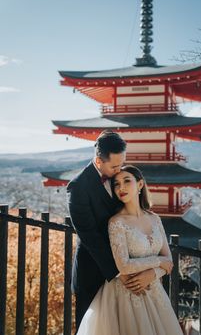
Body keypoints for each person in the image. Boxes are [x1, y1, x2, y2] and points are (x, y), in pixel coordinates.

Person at [76, 165, 183, 335]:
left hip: (154, 291)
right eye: (116, 184)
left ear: (140, 185)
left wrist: (153, 274)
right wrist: (159, 262)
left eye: (127, 181)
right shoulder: (117, 222)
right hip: (126, 293)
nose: (121, 187)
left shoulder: (154, 218)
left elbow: (168, 260)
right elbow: (124, 266)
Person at [68, 131, 153, 333]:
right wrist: (119, 273)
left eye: (121, 165)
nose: (118, 172)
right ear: (98, 161)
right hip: (94, 272)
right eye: (114, 166)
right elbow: (90, 237)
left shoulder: (118, 178)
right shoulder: (78, 187)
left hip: (126, 268)